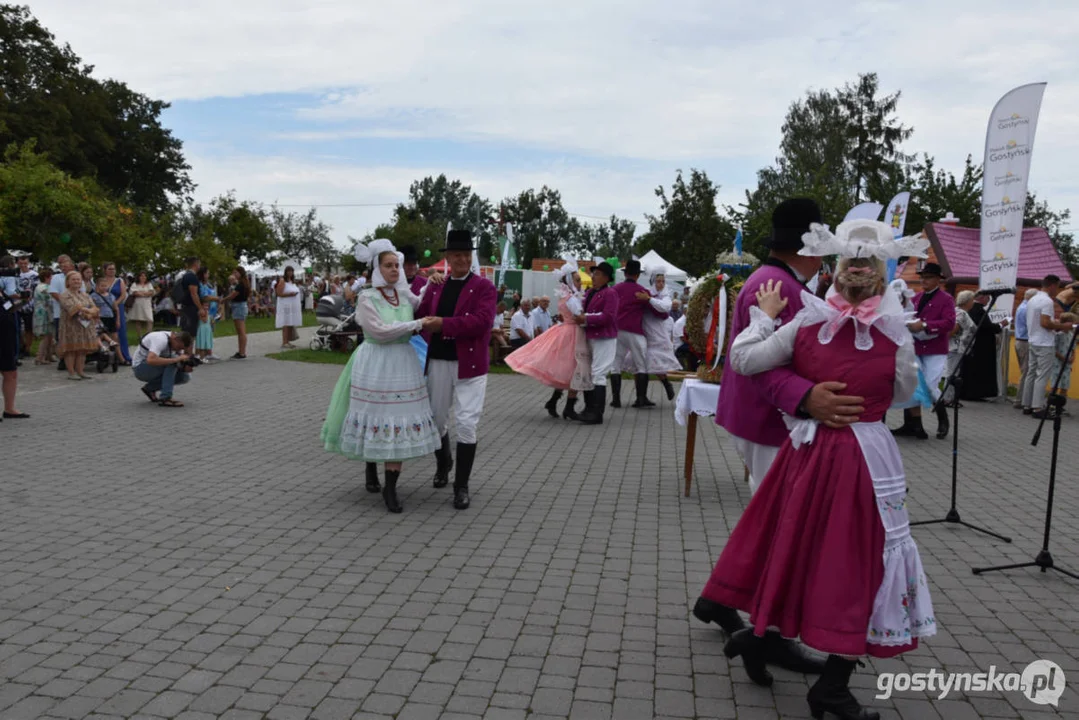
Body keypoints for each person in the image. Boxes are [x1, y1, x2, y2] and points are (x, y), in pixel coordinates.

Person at [714, 224, 935, 720]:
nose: (857, 271)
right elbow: (902, 394)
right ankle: (822, 680)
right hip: (843, 457)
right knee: (842, 558)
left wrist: (766, 321)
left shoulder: (841, 327)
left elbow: (745, 358)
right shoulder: (865, 330)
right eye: (859, 265)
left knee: (820, 551)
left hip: (835, 459)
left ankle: (765, 638)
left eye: (861, 264)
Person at [696, 200, 871, 678]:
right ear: (810, 248)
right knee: (782, 529)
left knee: (769, 521)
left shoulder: (778, 282)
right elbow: (759, 361)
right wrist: (807, 397)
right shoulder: (780, 287)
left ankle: (720, 600)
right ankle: (765, 631)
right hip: (774, 420)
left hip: (766, 419)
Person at [321, 240, 441, 513]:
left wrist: (431, 283)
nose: (395, 270)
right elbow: (380, 331)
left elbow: (421, 303)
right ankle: (371, 469)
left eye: (397, 265)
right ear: (377, 268)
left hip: (403, 361)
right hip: (376, 362)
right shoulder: (367, 297)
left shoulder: (403, 294)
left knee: (397, 420)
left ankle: (390, 486)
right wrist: (418, 324)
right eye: (389, 266)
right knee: (377, 417)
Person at [415, 229, 497, 510]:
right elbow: (419, 313)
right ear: (448, 258)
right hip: (438, 359)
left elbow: (482, 322)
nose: (462, 259)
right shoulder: (438, 284)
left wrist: (444, 325)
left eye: (466, 255)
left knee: (466, 422)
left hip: (470, 364)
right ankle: (444, 463)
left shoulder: (484, 287)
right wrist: (427, 287)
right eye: (457, 255)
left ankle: (461, 486)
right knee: (436, 420)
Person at [506, 261, 593, 419]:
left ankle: (554, 402)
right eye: (577, 279)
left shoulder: (566, 296)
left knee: (566, 370)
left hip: (566, 331)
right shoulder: (572, 299)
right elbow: (580, 318)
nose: (580, 283)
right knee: (576, 369)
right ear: (569, 281)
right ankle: (568, 407)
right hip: (573, 333)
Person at [892, 263, 954, 440]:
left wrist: (926, 325)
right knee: (911, 383)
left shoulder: (946, 299)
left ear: (937, 280)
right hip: (917, 346)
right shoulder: (917, 297)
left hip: (935, 349)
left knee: (930, 385)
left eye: (927, 277)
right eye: (922, 277)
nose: (923, 280)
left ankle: (943, 419)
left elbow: (949, 323)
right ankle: (913, 423)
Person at [1023, 275, 1076, 418]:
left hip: (1033, 339)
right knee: (1042, 376)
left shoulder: (1033, 299)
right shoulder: (1046, 301)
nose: (1057, 290)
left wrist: (1055, 324)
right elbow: (1045, 323)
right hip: (1044, 342)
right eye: (1057, 287)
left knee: (1031, 373)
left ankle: (1027, 404)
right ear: (1052, 285)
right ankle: (1038, 407)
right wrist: (1062, 325)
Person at [573, 262, 619, 425]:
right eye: (594, 274)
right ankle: (589, 408)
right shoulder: (590, 292)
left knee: (598, 373)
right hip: (591, 335)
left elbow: (608, 316)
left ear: (606, 278)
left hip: (604, 337)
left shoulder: (610, 293)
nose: (593, 277)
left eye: (598, 274)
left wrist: (586, 318)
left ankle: (596, 412)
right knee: (589, 372)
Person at [609, 260, 652, 408]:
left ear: (625, 273)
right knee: (641, 365)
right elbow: (655, 311)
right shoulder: (642, 291)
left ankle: (616, 400)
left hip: (617, 330)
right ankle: (641, 398)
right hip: (635, 331)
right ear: (637, 275)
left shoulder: (615, 289)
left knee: (616, 365)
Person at [641, 270, 681, 401]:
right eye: (658, 281)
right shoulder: (646, 292)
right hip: (646, 329)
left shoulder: (665, 295)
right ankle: (642, 396)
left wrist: (650, 300)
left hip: (658, 332)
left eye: (663, 281)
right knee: (642, 362)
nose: (661, 284)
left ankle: (666, 383)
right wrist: (648, 298)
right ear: (653, 282)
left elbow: (665, 307)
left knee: (657, 360)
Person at [960, 291, 1006, 401]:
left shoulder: (972, 309)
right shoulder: (978, 310)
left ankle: (966, 392)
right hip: (981, 347)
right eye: (988, 298)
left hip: (972, 345)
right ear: (982, 298)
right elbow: (986, 326)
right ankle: (975, 393)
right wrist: (1000, 325)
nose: (989, 300)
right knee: (978, 370)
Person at [132, 330, 195, 407]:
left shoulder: (173, 342)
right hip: (140, 368)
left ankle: (150, 388)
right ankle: (165, 398)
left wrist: (183, 367)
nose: (178, 350)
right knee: (173, 363)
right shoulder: (160, 339)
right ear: (176, 339)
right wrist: (176, 360)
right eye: (179, 347)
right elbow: (151, 360)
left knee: (184, 377)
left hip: (152, 368)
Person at [57, 270, 100, 380]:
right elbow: (73, 309)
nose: (76, 281)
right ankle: (71, 373)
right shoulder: (64, 294)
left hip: (85, 326)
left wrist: (89, 312)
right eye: (74, 279)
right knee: (71, 350)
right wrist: (88, 310)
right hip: (70, 326)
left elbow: (95, 308)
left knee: (82, 350)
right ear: (68, 281)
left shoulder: (85, 294)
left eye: (78, 279)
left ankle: (80, 371)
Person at [0, 256, 28, 420]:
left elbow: (11, 308)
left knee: (10, 370)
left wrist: (23, 300)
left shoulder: (6, 293)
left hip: (8, 330)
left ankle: (10, 408)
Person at [942, 291, 976, 407]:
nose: (973, 303)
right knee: (952, 373)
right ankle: (947, 399)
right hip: (956, 347)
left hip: (955, 347)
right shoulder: (961, 313)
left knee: (952, 372)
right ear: (967, 301)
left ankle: (949, 397)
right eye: (972, 300)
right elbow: (954, 329)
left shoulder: (956, 311)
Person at [1012, 288, 1037, 410]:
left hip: (1020, 341)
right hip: (1025, 341)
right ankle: (1020, 399)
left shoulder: (1021, 306)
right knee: (1027, 371)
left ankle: (1022, 398)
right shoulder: (1027, 309)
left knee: (1025, 371)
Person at [102, 262, 131, 364]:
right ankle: (110, 356)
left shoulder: (119, 281)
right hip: (105, 308)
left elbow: (123, 295)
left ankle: (124, 355)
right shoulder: (102, 281)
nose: (112, 271)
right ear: (105, 270)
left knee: (120, 331)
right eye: (109, 269)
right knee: (108, 331)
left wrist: (115, 304)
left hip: (118, 307)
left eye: (113, 269)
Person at [224, 266, 251, 359]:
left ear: (240, 273)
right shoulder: (242, 283)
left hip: (239, 306)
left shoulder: (241, 285)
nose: (234, 275)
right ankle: (241, 351)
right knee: (240, 331)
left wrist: (223, 300)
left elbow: (232, 295)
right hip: (240, 306)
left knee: (241, 330)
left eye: (236, 273)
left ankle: (242, 352)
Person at [15, 255, 38, 361]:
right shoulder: (15, 274)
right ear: (18, 263)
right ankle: (20, 346)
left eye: (25, 263)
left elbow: (37, 290)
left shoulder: (34, 275)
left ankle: (28, 348)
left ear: (28, 263)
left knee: (29, 328)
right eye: (21, 263)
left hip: (29, 305)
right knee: (18, 328)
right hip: (16, 305)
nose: (23, 265)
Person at [276, 265, 303, 349]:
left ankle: (287, 341)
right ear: (286, 272)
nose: (290, 273)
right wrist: (289, 294)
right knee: (286, 323)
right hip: (285, 306)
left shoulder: (291, 281)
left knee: (290, 323)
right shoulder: (282, 281)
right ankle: (284, 342)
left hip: (292, 306)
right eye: (288, 271)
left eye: (291, 271)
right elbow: (279, 293)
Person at [33, 268, 56, 365]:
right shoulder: (45, 288)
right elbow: (51, 301)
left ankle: (49, 355)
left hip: (43, 313)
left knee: (50, 335)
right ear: (47, 277)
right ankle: (40, 357)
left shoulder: (39, 286)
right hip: (44, 314)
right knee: (46, 336)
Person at [89, 277, 120, 347]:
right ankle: (104, 351)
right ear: (97, 286)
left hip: (110, 318)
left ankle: (117, 355)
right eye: (102, 286)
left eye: (105, 286)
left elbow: (116, 309)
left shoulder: (111, 296)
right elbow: (91, 308)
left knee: (115, 337)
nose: (104, 287)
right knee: (102, 336)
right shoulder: (93, 296)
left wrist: (118, 320)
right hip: (100, 318)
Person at [177, 256, 203, 335]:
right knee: (190, 333)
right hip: (191, 308)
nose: (199, 266)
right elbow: (194, 294)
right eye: (199, 264)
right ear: (195, 264)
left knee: (186, 332)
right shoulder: (192, 277)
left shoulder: (185, 275)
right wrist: (200, 308)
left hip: (185, 306)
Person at [128, 272, 156, 339]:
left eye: (144, 276)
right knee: (138, 320)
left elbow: (151, 292)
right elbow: (135, 293)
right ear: (139, 277)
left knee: (150, 320)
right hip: (138, 305)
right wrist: (145, 293)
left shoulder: (149, 284)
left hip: (147, 304)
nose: (143, 277)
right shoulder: (135, 284)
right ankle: (140, 336)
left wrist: (141, 293)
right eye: (141, 276)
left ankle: (147, 336)